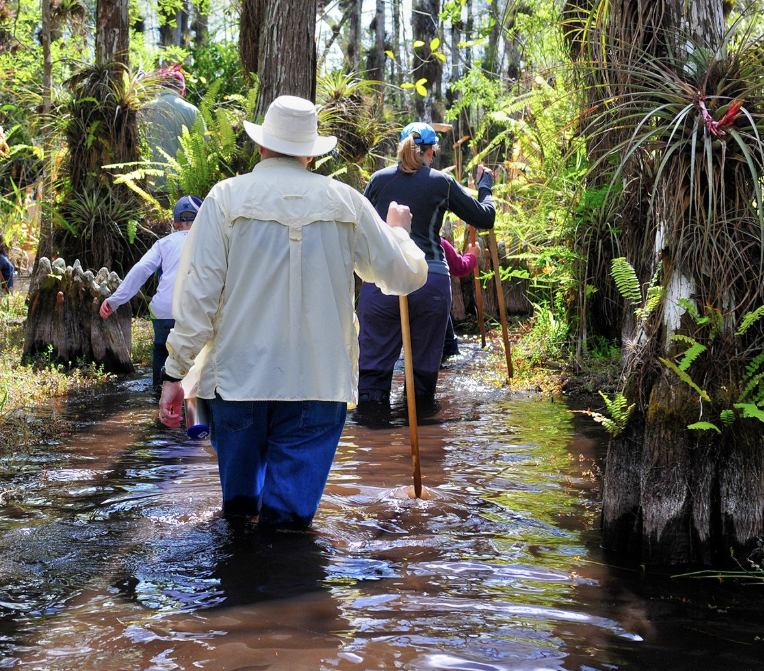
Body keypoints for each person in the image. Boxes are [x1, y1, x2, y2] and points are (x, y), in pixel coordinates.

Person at [158, 95, 427, 529]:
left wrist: (174, 375)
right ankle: (289, 584)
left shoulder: (225, 198)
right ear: (310, 152)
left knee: (239, 519)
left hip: (237, 383)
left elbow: (197, 300)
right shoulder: (346, 202)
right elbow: (403, 276)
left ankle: (241, 587)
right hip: (318, 385)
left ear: (262, 146)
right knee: (289, 529)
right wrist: (397, 234)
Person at [357, 122, 496, 409]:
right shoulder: (440, 183)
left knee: (371, 375)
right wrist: (485, 188)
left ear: (400, 149)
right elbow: (485, 218)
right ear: (431, 152)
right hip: (428, 282)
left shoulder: (378, 180)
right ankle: (421, 432)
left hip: (381, 282)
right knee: (422, 381)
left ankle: (373, 444)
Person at [100, 195, 203, 394]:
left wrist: (114, 301)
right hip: (196, 311)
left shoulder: (163, 244)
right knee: (196, 356)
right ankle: (192, 402)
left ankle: (158, 396)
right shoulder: (211, 242)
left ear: (174, 223)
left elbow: (141, 270)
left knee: (162, 351)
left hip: (165, 310)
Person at [141, 65, 200, 193]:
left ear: (161, 86)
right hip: (183, 188)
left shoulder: (143, 110)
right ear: (182, 88)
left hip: (150, 187)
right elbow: (204, 148)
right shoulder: (192, 111)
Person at [441, 237, 480, 360]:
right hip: (436, 298)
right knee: (448, 351)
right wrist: (472, 255)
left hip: (401, 298)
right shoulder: (439, 242)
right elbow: (460, 268)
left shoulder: (396, 238)